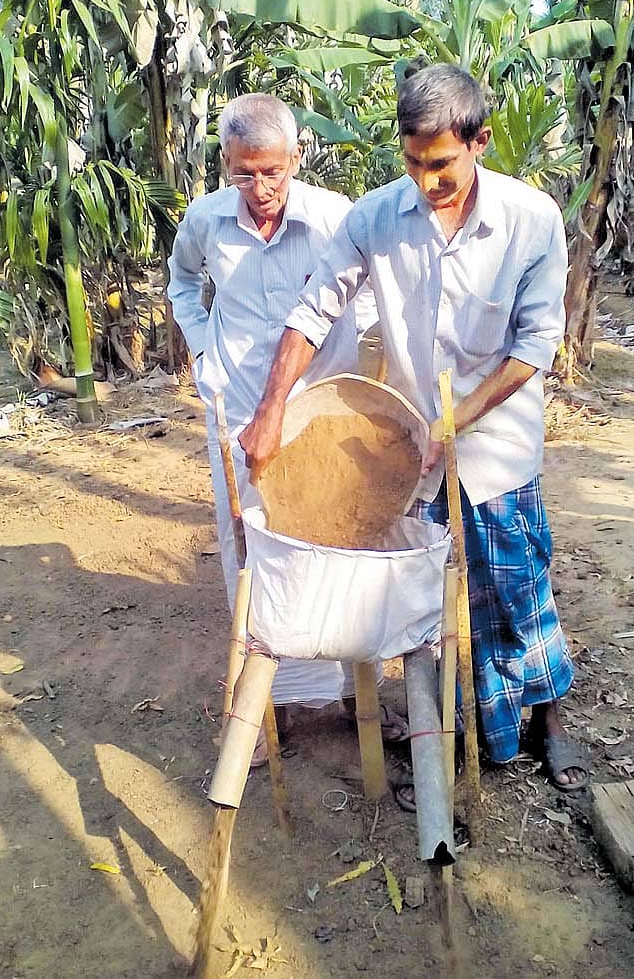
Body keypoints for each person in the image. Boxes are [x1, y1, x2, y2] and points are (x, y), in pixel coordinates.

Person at [238, 65, 589, 792]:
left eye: (441, 164)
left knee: (514, 583)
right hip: (413, 447)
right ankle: (463, 728)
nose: (426, 182)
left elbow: (532, 348)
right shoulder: (376, 217)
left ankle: (550, 719)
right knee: (428, 594)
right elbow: (314, 309)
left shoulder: (531, 221)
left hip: (495, 446)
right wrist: (272, 408)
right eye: (412, 162)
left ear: (480, 142)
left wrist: (456, 418)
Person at [167, 93, 405, 764]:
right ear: (225, 165)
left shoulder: (335, 217)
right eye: (245, 173)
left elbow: (364, 292)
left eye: (273, 171)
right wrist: (204, 352)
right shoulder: (207, 222)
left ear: (297, 157)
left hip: (319, 420)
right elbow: (182, 283)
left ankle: (359, 696)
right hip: (239, 413)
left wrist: (353, 361)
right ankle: (264, 705)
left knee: (338, 546)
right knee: (250, 551)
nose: (261, 188)